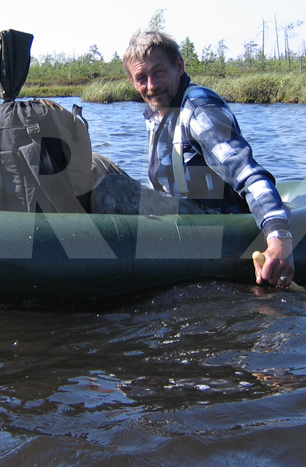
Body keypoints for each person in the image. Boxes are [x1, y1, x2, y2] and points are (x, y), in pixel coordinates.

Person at [120, 30, 295, 288]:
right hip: (182, 217)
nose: (151, 85)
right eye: (141, 78)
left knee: (111, 190)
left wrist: (279, 236)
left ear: (179, 66)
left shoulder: (199, 110)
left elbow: (247, 173)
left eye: (158, 72)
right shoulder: (157, 111)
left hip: (220, 222)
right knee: (99, 168)